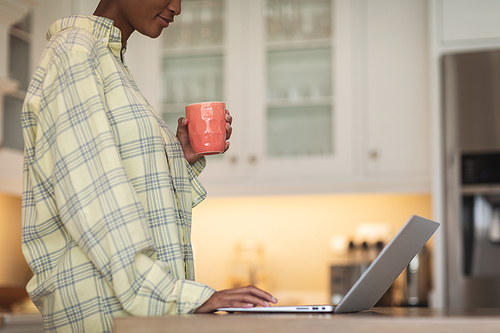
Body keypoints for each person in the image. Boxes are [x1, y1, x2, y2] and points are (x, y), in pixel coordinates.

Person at [21, 0, 277, 331]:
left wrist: (178, 157)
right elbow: (94, 200)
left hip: (133, 314)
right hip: (104, 317)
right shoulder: (74, 51)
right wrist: (181, 297)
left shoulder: (109, 62)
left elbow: (114, 181)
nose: (178, 7)